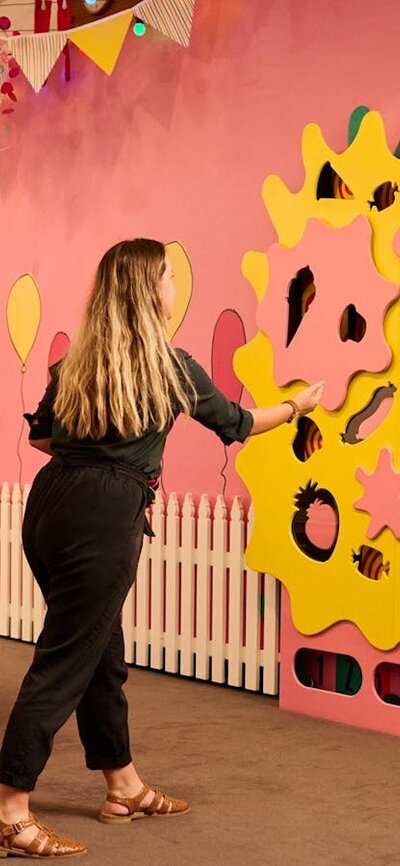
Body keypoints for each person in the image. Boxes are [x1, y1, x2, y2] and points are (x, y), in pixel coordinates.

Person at [0, 239, 323, 858]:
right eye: (169, 274)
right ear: (151, 289)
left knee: (98, 649)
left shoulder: (75, 366)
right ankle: (13, 809)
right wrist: (296, 406)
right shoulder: (171, 368)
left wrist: (94, 451)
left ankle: (122, 785)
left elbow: (43, 438)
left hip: (49, 505)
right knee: (67, 657)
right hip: (104, 514)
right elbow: (237, 424)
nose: (175, 283)